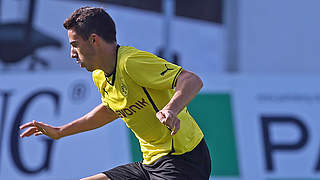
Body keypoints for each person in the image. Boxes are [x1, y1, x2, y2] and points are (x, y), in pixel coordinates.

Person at [19, 6, 211, 180]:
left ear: (94, 40)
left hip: (184, 160)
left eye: (75, 44)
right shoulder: (99, 75)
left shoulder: (131, 62)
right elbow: (112, 110)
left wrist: (171, 109)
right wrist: (60, 132)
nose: (72, 53)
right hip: (151, 164)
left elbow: (191, 80)